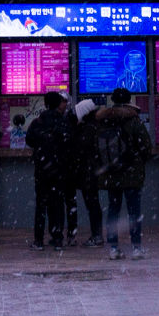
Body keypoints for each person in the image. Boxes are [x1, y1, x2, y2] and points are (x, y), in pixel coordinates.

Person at [99, 87, 153, 260]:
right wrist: (139, 161)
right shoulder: (134, 120)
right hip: (131, 173)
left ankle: (113, 248)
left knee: (113, 210)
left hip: (112, 172)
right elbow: (146, 146)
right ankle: (136, 247)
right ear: (129, 100)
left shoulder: (104, 120)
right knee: (134, 211)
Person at [25, 92, 76, 249]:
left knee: (41, 204)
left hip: (42, 170)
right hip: (59, 169)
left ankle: (38, 239)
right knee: (57, 204)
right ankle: (57, 238)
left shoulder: (38, 122)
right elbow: (70, 143)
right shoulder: (64, 122)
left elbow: (29, 140)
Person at [70, 99, 106, 246]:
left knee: (92, 204)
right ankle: (97, 234)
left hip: (88, 173)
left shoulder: (87, 129)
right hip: (93, 172)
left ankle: (97, 235)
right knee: (93, 204)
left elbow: (79, 149)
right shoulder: (96, 127)